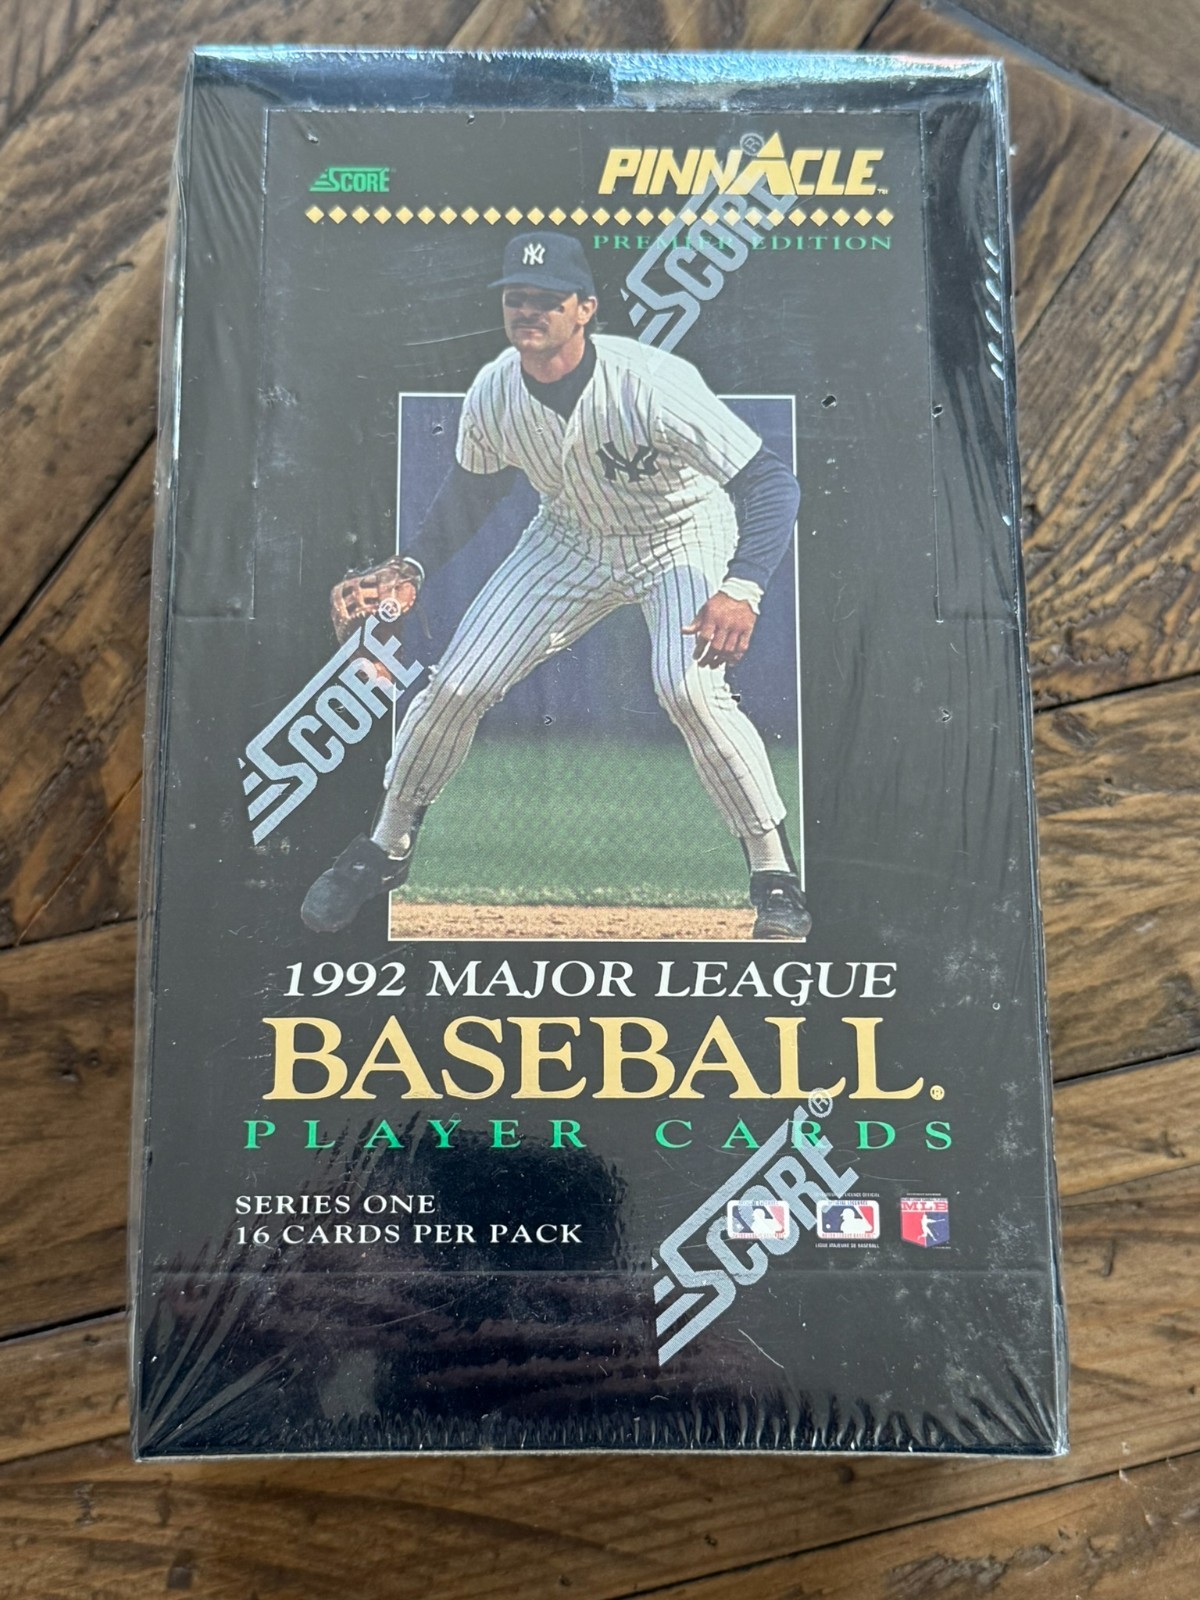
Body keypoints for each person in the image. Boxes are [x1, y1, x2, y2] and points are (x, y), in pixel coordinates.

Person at [302, 232, 808, 939]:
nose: (529, 310)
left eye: (547, 299)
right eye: (517, 298)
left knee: (689, 689)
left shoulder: (649, 382)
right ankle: (385, 849)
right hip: (570, 537)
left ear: (585, 309)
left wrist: (743, 587)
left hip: (681, 533)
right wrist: (413, 564)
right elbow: (472, 492)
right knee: (458, 685)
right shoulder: (494, 391)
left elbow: (770, 482)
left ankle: (774, 876)